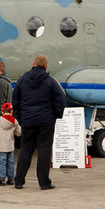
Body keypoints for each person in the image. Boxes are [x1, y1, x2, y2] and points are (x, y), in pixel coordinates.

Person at [12, 54, 66, 190]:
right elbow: (61, 98)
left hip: (28, 121)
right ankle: (44, 182)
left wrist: (20, 117)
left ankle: (19, 181)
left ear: (33, 64)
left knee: (25, 150)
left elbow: (15, 99)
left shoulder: (22, 80)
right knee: (44, 150)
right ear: (46, 66)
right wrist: (56, 115)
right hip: (46, 121)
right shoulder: (50, 81)